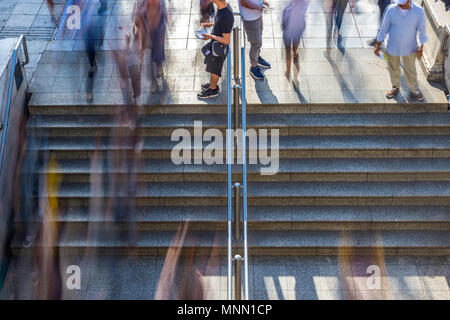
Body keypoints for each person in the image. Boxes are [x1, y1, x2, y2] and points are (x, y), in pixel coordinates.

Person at [374, 0, 427, 101]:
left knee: (410, 69)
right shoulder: (391, 10)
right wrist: (378, 45)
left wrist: (421, 47)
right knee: (393, 67)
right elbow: (383, 29)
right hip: (392, 45)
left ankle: (413, 89)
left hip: (410, 46)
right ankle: (395, 87)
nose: (400, 5)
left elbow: (422, 30)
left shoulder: (418, 11)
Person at [197, 0, 234, 99]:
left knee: (214, 70)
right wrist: (211, 24)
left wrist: (210, 36)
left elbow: (226, 40)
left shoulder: (226, 16)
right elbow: (220, 24)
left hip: (219, 49)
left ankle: (213, 90)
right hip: (216, 45)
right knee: (212, 68)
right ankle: (212, 84)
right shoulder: (221, 7)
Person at [238, 0, 271, 80]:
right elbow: (244, 2)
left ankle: (257, 57)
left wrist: (263, 2)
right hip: (250, 19)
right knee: (256, 44)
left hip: (257, 16)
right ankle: (254, 66)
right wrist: (258, 7)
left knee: (259, 39)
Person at [282, 0, 308, 88]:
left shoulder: (288, 7)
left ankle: (288, 71)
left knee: (288, 53)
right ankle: (295, 79)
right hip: (297, 34)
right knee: (295, 54)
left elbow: (283, 20)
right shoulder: (303, 5)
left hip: (287, 34)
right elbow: (304, 24)